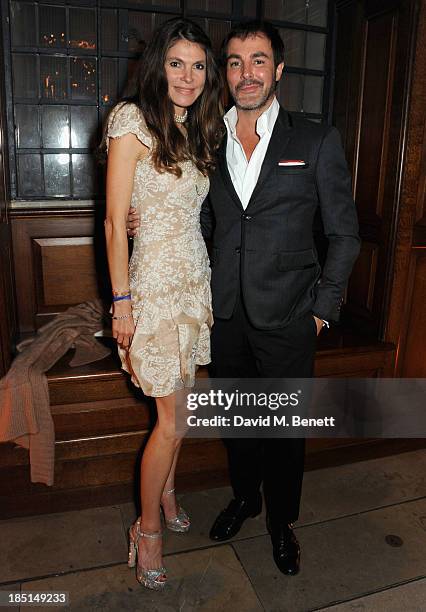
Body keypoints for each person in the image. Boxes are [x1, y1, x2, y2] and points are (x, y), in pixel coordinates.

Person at [128, 20, 360, 576]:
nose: (246, 72)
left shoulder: (315, 139)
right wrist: (147, 221)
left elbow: (345, 234)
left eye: (259, 61)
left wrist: (323, 310)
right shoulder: (208, 137)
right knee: (237, 424)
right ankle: (243, 499)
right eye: (234, 62)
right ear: (225, 74)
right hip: (225, 310)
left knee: (283, 431)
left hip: (290, 314)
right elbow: (200, 215)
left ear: (278, 70)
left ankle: (283, 523)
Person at [104, 18, 223, 590]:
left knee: (183, 416)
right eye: (177, 63)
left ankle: (168, 493)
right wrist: (121, 302)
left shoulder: (195, 126)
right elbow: (112, 221)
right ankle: (145, 528)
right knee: (172, 419)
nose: (188, 76)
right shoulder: (132, 119)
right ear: (158, 65)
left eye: (198, 65)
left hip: (194, 282)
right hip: (151, 287)